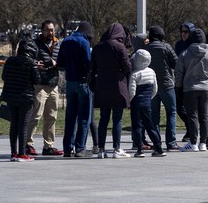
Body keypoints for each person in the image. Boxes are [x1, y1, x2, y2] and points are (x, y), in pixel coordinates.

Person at [90, 22, 132, 158]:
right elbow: (127, 66)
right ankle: (116, 148)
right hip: (117, 85)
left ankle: (101, 149)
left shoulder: (98, 47)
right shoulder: (120, 47)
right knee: (117, 118)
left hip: (102, 85)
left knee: (103, 118)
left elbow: (93, 67)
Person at [56, 21, 94, 157]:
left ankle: (67, 148)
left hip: (69, 82)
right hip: (83, 82)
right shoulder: (84, 43)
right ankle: (80, 148)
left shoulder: (65, 41)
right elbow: (89, 64)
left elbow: (60, 64)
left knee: (70, 116)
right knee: (84, 117)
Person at [25, 20, 63, 157]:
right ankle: (27, 144)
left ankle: (49, 146)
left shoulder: (58, 44)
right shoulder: (35, 44)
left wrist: (55, 64)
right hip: (40, 84)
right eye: (47, 30)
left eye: (52, 30)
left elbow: (62, 64)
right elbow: (28, 60)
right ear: (42, 30)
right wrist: (36, 64)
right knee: (36, 116)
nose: (50, 32)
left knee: (52, 117)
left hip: (53, 84)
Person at [176, 28, 208, 151]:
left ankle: (193, 143)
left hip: (189, 88)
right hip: (205, 89)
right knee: (204, 116)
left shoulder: (185, 53)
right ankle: (203, 143)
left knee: (192, 116)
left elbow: (179, 73)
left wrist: (178, 87)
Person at [1, 39, 41, 162]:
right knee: (23, 125)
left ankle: (13, 153)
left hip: (11, 96)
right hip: (26, 97)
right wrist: (37, 67)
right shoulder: (31, 63)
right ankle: (22, 154)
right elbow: (37, 80)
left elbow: (4, 77)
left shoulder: (10, 61)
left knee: (14, 124)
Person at [145, 25, 179, 151]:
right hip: (167, 84)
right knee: (171, 112)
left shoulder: (146, 48)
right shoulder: (166, 47)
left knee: (154, 115)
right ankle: (171, 142)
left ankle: (156, 141)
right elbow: (176, 63)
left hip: (152, 85)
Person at [129, 48, 165, 157]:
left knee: (137, 127)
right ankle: (158, 147)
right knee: (150, 126)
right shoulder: (151, 72)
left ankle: (140, 149)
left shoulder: (134, 74)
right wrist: (149, 98)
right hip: (147, 103)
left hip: (136, 104)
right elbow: (155, 89)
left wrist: (129, 102)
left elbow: (132, 91)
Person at [174, 21, 196, 141]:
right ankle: (190, 127)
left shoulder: (195, 46)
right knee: (179, 107)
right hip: (181, 79)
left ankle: (192, 131)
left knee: (191, 108)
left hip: (192, 80)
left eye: (186, 32)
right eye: (182, 32)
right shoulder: (179, 45)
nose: (183, 34)